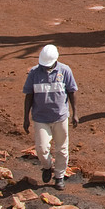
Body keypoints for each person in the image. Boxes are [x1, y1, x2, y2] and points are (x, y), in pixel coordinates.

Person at [22, 44, 78, 190]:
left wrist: (75, 113)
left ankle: (59, 176)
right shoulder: (34, 73)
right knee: (41, 148)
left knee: (62, 149)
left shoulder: (65, 71)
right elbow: (28, 96)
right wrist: (26, 118)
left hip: (60, 117)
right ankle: (47, 166)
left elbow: (72, 92)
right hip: (40, 118)